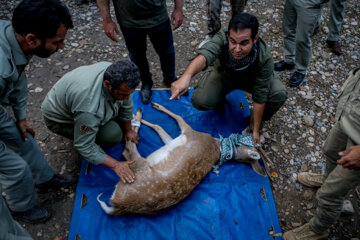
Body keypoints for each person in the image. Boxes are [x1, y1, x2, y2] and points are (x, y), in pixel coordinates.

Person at [0, 0, 76, 226]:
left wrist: (21, 117)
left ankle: (45, 180)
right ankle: (21, 208)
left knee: (23, 139)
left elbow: (18, 78)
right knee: (15, 167)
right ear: (32, 39)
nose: (62, 47)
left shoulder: (14, 36)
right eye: (57, 42)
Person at [170, 13, 288, 146]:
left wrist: (255, 130)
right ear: (228, 37)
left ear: (255, 39)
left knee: (278, 93)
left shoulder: (263, 56)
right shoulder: (222, 37)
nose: (237, 49)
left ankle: (254, 120)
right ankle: (219, 98)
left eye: (244, 43)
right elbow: (205, 55)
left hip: (251, 80)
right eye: (233, 42)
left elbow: (260, 95)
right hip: (224, 75)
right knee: (200, 100)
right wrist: (186, 76)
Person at [283, 68, 360, 239]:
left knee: (330, 194)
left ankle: (319, 229)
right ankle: (326, 179)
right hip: (350, 118)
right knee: (331, 151)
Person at [42, 60, 141, 184]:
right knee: (112, 134)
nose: (126, 98)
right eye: (122, 95)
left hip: (74, 102)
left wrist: (129, 130)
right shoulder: (89, 109)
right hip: (59, 120)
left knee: (118, 121)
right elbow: (84, 145)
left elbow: (126, 104)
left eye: (129, 94)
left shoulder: (115, 72)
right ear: (107, 84)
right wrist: (115, 165)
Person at [96, 0, 184, 104]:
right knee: (137, 55)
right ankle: (146, 82)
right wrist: (107, 20)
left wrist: (178, 9)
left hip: (158, 18)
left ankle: (170, 79)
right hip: (129, 22)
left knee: (167, 52)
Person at [274, 0, 328, 87]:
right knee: (288, 30)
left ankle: (301, 70)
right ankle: (289, 60)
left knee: (302, 39)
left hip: (310, 3)